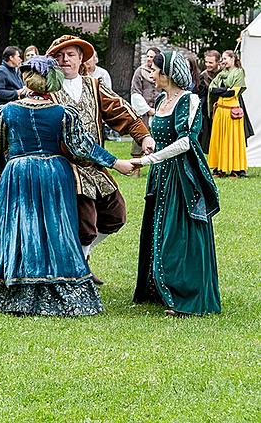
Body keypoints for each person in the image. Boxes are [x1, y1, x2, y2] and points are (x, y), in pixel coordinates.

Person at [0, 57, 134, 316]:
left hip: (19, 172)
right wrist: (116, 162)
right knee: (54, 228)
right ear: (53, 83)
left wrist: (12, 157)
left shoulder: (7, 111)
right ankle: (59, 283)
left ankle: (14, 284)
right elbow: (82, 148)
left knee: (19, 225)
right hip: (55, 174)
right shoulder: (63, 114)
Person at [47, 35, 153, 284]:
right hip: (63, 167)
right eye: (59, 56)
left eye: (71, 55)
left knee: (116, 214)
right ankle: (78, 269)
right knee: (85, 222)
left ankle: (80, 258)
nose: (65, 60)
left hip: (95, 165)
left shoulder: (93, 86)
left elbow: (121, 110)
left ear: (81, 58)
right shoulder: (46, 89)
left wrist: (144, 136)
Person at [130, 50, 221, 316]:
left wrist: (149, 160)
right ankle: (161, 288)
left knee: (179, 234)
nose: (151, 74)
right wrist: (150, 148)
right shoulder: (159, 100)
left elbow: (186, 142)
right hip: (162, 176)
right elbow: (160, 135)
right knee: (159, 228)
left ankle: (187, 295)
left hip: (183, 176)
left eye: (155, 70)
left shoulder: (189, 101)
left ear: (167, 74)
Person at [207, 49, 254, 177]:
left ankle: (236, 169)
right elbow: (212, 89)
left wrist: (221, 90)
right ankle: (219, 168)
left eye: (225, 58)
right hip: (221, 110)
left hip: (232, 111)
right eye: (222, 58)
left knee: (233, 139)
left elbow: (232, 92)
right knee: (219, 139)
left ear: (233, 59)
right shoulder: (222, 73)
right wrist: (224, 90)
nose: (223, 61)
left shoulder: (239, 73)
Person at [130, 47, 161, 161]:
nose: (149, 59)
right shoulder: (139, 71)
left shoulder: (161, 72)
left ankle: (157, 162)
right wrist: (147, 109)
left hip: (159, 109)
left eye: (151, 57)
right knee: (139, 133)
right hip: (143, 111)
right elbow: (135, 92)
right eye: (147, 56)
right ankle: (136, 165)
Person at [197, 50, 220, 153]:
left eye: (211, 62)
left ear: (218, 62)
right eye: (206, 62)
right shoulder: (203, 76)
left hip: (223, 109)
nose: (208, 65)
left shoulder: (224, 74)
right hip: (208, 111)